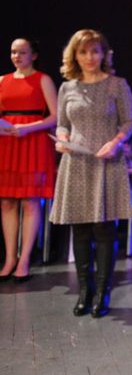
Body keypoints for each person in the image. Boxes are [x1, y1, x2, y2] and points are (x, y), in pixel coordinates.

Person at [49, 29, 132, 318]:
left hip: (106, 162)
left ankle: (102, 292)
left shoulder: (117, 84)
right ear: (74, 55)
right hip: (76, 162)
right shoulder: (67, 88)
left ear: (104, 54)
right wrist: (62, 138)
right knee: (81, 229)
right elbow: (62, 124)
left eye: (95, 51)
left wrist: (115, 143)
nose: (89, 57)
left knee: (104, 230)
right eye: (83, 52)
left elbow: (129, 122)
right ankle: (84, 291)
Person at [0, 37, 58, 282]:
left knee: (31, 201)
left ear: (33, 55)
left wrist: (28, 128)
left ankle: (24, 259)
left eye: (22, 52)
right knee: (7, 202)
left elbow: (55, 117)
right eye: (13, 52)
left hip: (33, 142)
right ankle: (9, 258)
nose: (16, 56)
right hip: (7, 143)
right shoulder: (2, 80)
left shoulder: (42, 79)